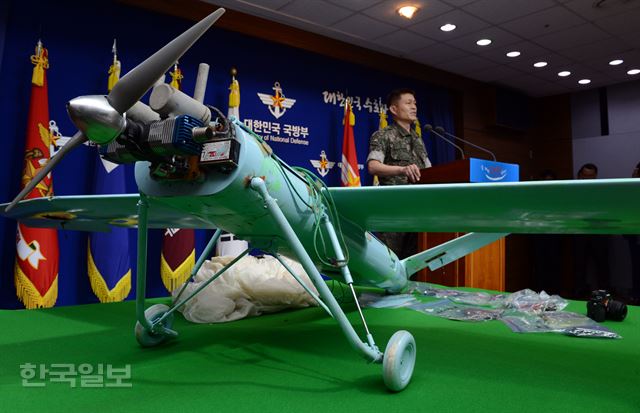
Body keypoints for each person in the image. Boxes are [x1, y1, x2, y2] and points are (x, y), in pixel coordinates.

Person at [366, 88, 431, 258]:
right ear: (394, 109)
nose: (414, 107)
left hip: (418, 212)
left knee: (416, 261)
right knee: (392, 262)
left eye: (415, 103)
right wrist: (401, 169)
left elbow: (431, 172)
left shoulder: (418, 140)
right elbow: (373, 166)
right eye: (408, 103)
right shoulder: (383, 135)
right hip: (393, 212)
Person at [573, 163, 610, 298]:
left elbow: (607, 209)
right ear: (580, 175)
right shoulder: (573, 189)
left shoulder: (602, 189)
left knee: (602, 265)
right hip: (579, 232)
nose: (588, 178)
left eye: (591, 176)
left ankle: (604, 295)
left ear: (595, 176)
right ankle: (579, 293)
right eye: (586, 176)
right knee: (579, 265)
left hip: (599, 232)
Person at [623, 162, 640, 302]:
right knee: (636, 266)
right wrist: (634, 178)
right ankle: (636, 294)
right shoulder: (634, 186)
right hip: (635, 234)